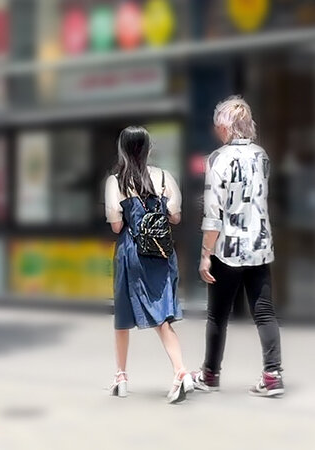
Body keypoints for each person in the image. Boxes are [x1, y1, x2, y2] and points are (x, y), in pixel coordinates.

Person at [192, 96, 285, 397]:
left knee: (217, 315)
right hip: (258, 245)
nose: (216, 130)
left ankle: (210, 375)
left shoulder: (217, 159)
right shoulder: (262, 156)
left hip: (228, 248)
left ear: (225, 126)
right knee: (265, 312)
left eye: (218, 124)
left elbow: (213, 214)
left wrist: (205, 255)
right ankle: (272, 375)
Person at [104, 126, 193, 403]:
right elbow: (175, 217)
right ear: (148, 148)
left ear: (122, 149)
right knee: (162, 314)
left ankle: (121, 376)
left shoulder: (116, 181)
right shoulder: (165, 177)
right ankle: (180, 371)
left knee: (122, 313)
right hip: (161, 253)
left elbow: (116, 224)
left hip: (131, 253)